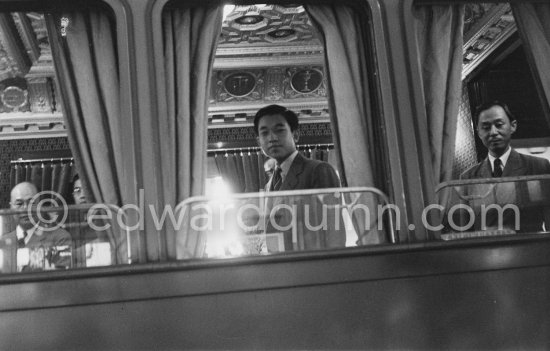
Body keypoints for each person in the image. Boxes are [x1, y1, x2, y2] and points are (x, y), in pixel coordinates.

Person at [254, 104, 344, 250]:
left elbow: (334, 233)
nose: (272, 138)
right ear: (259, 141)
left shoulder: (318, 170)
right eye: (264, 133)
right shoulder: (269, 185)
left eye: (279, 130)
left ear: (295, 135)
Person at [459, 101, 550, 232]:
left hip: (528, 249)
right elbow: (465, 230)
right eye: (486, 127)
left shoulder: (538, 166)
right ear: (478, 132)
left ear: (513, 126)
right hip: (486, 251)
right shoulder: (468, 178)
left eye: (499, 124)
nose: (493, 132)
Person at [1, 182, 72, 272]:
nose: (26, 209)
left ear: (40, 205)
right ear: (10, 207)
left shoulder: (60, 238)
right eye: (19, 204)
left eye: (32, 203)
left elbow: (62, 280)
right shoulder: (3, 242)